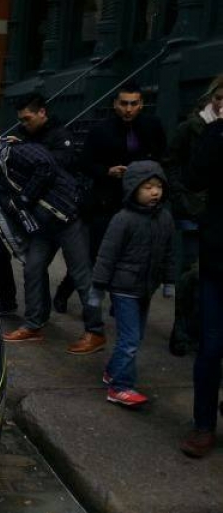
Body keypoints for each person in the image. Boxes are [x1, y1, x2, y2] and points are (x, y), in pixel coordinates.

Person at [0, 141, 105, 354]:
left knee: (81, 274)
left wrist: (24, 198)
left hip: (67, 216)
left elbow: (46, 165)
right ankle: (34, 324)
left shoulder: (12, 154)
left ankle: (95, 331)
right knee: (33, 268)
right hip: (42, 229)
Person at [54, 81, 167, 313]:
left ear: (141, 104)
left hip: (137, 202)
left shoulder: (152, 126)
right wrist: (107, 171)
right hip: (105, 201)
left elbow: (161, 158)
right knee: (95, 254)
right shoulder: (101, 130)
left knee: (129, 256)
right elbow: (83, 162)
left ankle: (119, 302)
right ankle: (65, 291)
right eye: (124, 103)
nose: (128, 109)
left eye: (133, 104)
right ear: (115, 104)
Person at [88, 161, 174, 406]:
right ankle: (120, 387)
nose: (154, 192)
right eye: (148, 187)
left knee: (134, 337)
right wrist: (98, 287)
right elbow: (107, 255)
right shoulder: (123, 219)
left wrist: (169, 281)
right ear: (134, 188)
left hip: (146, 287)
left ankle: (113, 371)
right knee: (130, 339)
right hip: (123, 288)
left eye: (158, 186)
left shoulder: (165, 218)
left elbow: (168, 252)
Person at [0, 92, 77, 317]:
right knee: (1, 254)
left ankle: (44, 310)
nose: (23, 124)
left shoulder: (60, 135)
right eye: (20, 119)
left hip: (50, 210)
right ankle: (8, 302)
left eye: (27, 118)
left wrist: (23, 152)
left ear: (42, 112)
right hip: (22, 208)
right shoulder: (21, 134)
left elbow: (57, 166)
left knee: (37, 265)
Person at [162, 75, 223, 356]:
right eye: (219, 97)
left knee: (202, 276)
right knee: (188, 273)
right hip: (191, 210)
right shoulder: (193, 126)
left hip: (215, 215)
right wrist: (180, 195)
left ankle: (199, 330)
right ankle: (182, 330)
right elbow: (172, 162)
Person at [179, 116, 223, 457]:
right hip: (219, 262)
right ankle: (204, 424)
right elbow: (194, 178)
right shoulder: (216, 133)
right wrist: (217, 129)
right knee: (210, 347)